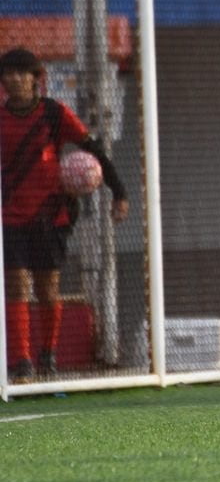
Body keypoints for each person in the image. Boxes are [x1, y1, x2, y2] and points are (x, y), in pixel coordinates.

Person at [1, 47, 130, 382]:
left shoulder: (55, 114)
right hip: (10, 217)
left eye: (21, 73)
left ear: (35, 78)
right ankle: (22, 360)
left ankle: (47, 354)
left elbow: (93, 148)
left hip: (50, 217)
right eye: (8, 74)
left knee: (47, 289)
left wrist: (119, 192)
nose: (13, 79)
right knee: (16, 286)